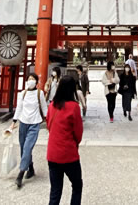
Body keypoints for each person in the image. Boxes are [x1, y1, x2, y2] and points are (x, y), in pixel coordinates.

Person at [47, 75, 83, 205]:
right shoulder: (74, 107)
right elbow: (78, 133)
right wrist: (74, 143)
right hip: (68, 154)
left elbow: (48, 125)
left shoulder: (52, 105)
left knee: (55, 190)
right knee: (77, 185)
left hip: (52, 154)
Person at [9, 72, 46, 188]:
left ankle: (20, 175)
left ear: (36, 81)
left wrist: (51, 122)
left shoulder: (40, 94)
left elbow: (44, 108)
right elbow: (19, 107)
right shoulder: (23, 94)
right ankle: (31, 168)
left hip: (34, 123)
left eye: (32, 79)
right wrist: (14, 122)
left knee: (27, 148)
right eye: (29, 79)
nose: (30, 81)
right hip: (23, 123)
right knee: (23, 149)